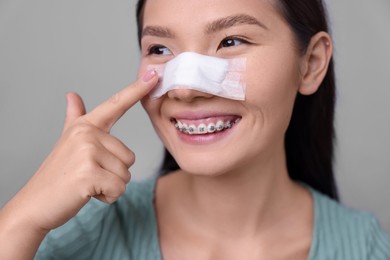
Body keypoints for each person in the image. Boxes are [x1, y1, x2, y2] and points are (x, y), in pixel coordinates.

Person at [0, 0, 389, 259]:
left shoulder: (365, 248)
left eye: (231, 40)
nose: (184, 88)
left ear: (310, 64)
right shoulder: (83, 234)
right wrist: (19, 222)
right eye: (160, 50)